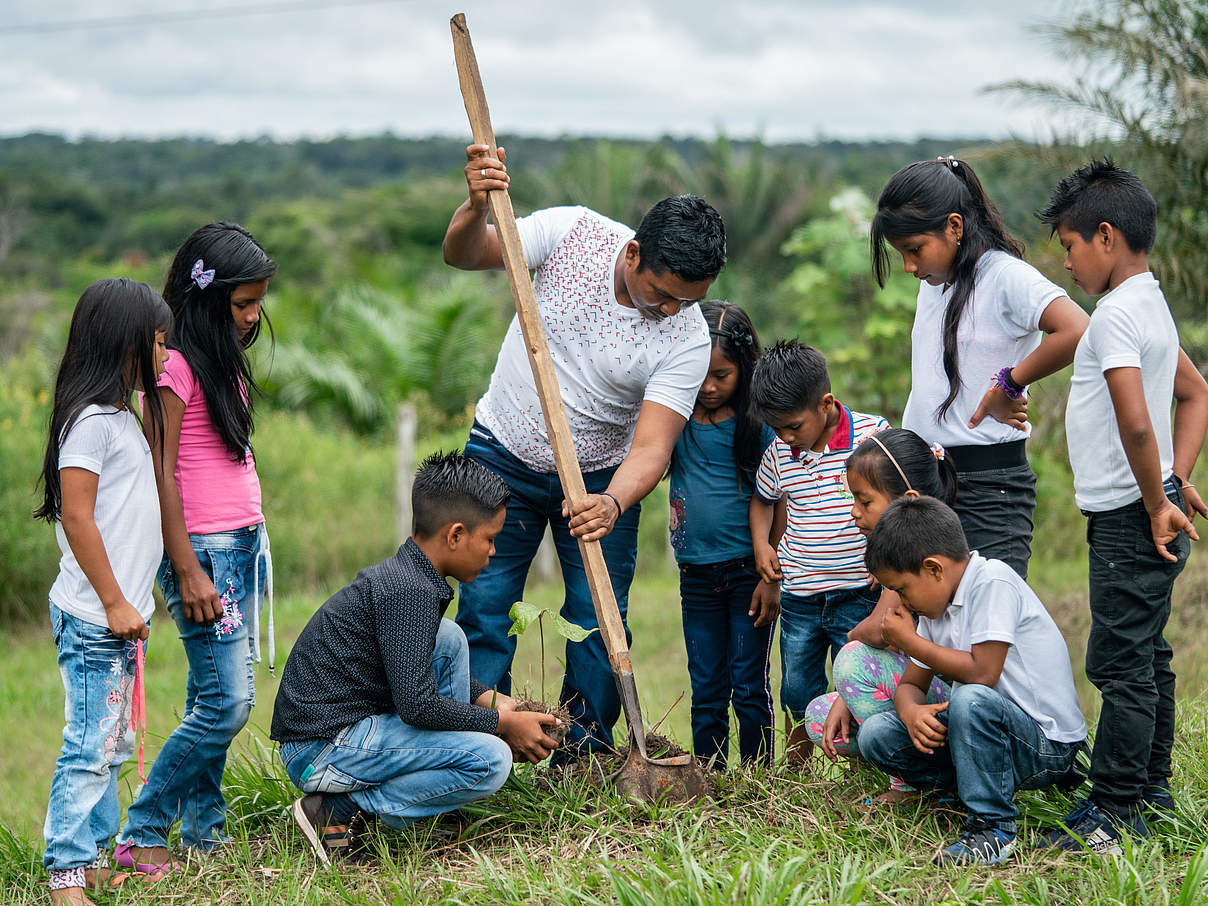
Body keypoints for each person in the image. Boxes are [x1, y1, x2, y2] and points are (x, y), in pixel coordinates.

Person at [442, 144, 726, 758]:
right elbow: (466, 253)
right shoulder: (572, 234)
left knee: (598, 617)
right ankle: (479, 749)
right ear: (632, 255)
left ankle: (583, 757)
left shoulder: (689, 335)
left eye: (688, 299)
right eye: (662, 294)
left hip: (601, 476)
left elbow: (653, 445)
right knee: (486, 607)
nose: (672, 310)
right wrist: (473, 206)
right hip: (501, 455)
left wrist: (614, 502)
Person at [1036, 160, 1208, 854]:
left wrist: (1154, 495)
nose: (1069, 264)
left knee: (1117, 663)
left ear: (1105, 236)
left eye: (1070, 247)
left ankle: (1116, 808)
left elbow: (1138, 420)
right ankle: (1150, 791)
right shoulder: (1152, 307)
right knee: (1147, 657)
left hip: (1128, 518)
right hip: (1148, 509)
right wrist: (1176, 480)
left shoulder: (1112, 319)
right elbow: (1197, 393)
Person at [272, 451, 560, 863]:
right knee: (491, 758)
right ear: (455, 535)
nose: (493, 552)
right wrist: (502, 725)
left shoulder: (410, 578)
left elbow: (414, 667)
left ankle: (427, 805)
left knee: (450, 639)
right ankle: (338, 811)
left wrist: (490, 700)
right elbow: (417, 705)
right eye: (490, 539)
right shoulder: (409, 592)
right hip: (319, 749)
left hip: (340, 732)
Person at [117, 223, 277, 874]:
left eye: (258, 302)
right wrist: (185, 569)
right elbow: (161, 472)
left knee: (213, 697)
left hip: (237, 545)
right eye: (242, 304)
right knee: (227, 704)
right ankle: (142, 830)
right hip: (203, 554)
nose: (253, 316)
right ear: (206, 299)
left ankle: (205, 830)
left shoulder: (214, 358)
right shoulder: (172, 367)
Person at [870, 156, 1089, 578]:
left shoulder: (1006, 276)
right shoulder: (937, 282)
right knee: (936, 629)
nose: (909, 267)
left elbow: (1078, 329)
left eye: (915, 250)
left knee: (988, 624)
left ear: (955, 227)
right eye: (901, 254)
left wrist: (1010, 384)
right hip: (929, 485)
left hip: (989, 490)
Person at [36, 279, 172, 904]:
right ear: (125, 346)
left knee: (112, 747)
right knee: (89, 748)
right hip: (95, 618)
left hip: (116, 619)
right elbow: (77, 514)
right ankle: (66, 875)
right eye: (159, 344)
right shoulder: (90, 422)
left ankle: (92, 857)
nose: (167, 356)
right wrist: (116, 601)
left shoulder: (120, 416)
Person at [858, 497, 1087, 866]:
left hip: (1047, 746)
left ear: (933, 569)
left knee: (970, 698)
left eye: (901, 589)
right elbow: (909, 686)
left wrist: (910, 640)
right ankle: (959, 790)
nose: (900, 601)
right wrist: (911, 712)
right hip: (984, 735)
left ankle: (992, 830)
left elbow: (984, 672)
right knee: (876, 734)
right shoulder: (934, 607)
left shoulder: (992, 582)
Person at [748, 340, 890, 765]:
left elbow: (899, 503)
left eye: (793, 426)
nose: (786, 437)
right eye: (777, 429)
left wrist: (888, 560)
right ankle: (797, 770)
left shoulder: (872, 436)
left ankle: (861, 767)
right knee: (796, 688)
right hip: (800, 596)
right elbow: (762, 499)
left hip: (858, 594)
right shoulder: (779, 452)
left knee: (858, 686)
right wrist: (761, 545)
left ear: (826, 403)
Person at [803, 428, 958, 800]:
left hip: (950, 702)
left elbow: (876, 633)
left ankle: (911, 783)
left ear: (906, 501)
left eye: (864, 501)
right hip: (915, 689)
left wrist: (856, 637)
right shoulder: (908, 551)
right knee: (819, 715)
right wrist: (846, 692)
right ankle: (917, 770)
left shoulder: (923, 558)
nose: (854, 512)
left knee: (852, 660)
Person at [668, 301, 779, 768]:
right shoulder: (672, 419)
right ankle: (708, 776)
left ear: (745, 370)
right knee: (707, 683)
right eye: (700, 373)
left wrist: (770, 574)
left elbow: (779, 498)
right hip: (696, 573)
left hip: (747, 572)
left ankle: (756, 780)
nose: (709, 387)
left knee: (748, 682)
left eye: (723, 375)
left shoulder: (758, 426)